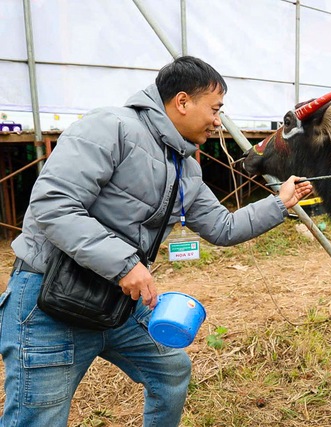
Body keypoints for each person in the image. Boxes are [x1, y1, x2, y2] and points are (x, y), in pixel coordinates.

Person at [0, 55, 312, 426]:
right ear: (182, 102)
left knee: (170, 370)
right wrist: (124, 263)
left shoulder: (187, 167)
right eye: (215, 109)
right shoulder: (110, 127)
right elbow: (53, 205)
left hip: (118, 303)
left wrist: (280, 204)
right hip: (49, 300)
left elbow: (223, 227)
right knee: (38, 419)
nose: (217, 121)